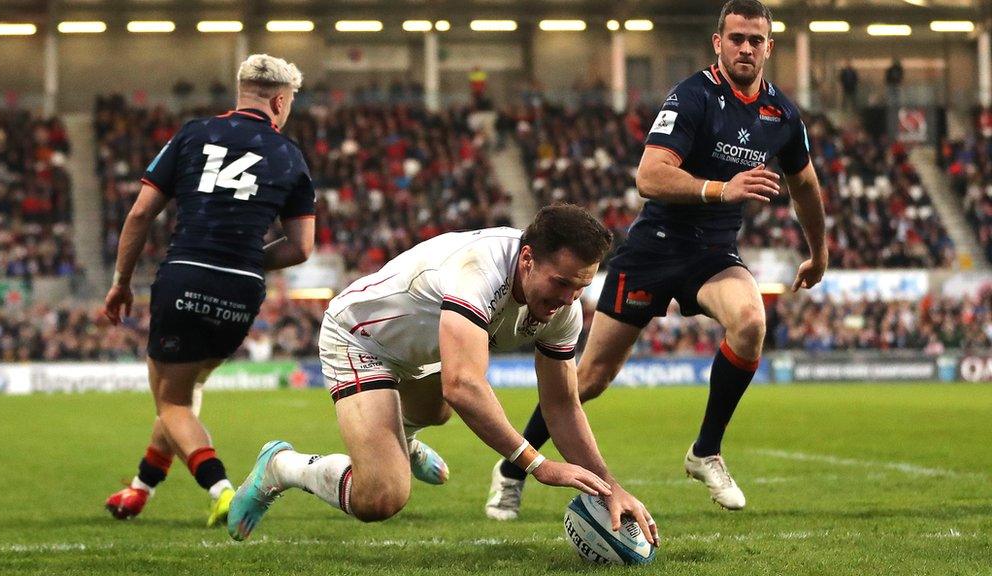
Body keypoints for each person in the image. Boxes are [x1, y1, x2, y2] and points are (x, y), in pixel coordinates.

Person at [486, 0, 828, 519]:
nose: (745, 48)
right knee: (590, 378)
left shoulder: (781, 115)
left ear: (769, 48)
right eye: (735, 38)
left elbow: (806, 186)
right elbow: (648, 176)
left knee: (751, 321)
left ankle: (705, 451)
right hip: (653, 249)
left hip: (712, 255)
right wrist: (722, 188)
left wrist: (819, 252)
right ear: (718, 42)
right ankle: (513, 468)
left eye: (755, 40)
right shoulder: (692, 97)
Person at [227, 205, 660, 549]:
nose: (567, 300)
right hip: (361, 339)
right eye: (561, 283)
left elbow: (562, 403)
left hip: (424, 349)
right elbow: (463, 384)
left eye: (580, 288)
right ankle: (281, 466)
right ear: (527, 259)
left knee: (440, 409)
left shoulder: (562, 309)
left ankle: (405, 438)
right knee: (382, 496)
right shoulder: (479, 270)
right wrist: (537, 464)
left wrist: (610, 486)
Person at [103, 54, 317, 527]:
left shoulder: (194, 133)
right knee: (186, 389)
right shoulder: (290, 155)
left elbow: (140, 214)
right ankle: (140, 489)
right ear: (280, 101)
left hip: (187, 274)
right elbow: (301, 248)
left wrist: (121, 282)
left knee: (173, 400)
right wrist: (241, 261)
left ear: (242, 91)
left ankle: (223, 490)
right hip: (242, 289)